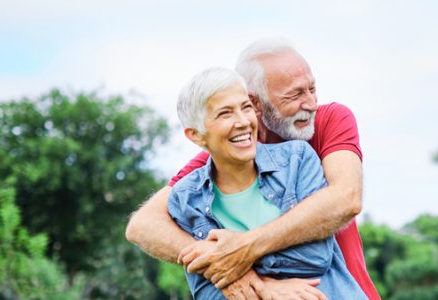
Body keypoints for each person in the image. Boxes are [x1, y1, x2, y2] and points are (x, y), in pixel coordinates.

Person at [126, 38, 380, 300]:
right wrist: (222, 264)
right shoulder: (226, 154)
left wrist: (244, 249)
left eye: (312, 89)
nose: (311, 103)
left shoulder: (329, 120)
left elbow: (346, 199)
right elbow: (143, 225)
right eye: (295, 94)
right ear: (256, 103)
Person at [170, 67, 367, 299]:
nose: (243, 122)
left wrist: (236, 256)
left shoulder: (297, 158)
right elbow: (207, 293)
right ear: (195, 134)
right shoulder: (186, 197)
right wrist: (267, 288)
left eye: (246, 108)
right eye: (225, 113)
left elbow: (314, 257)